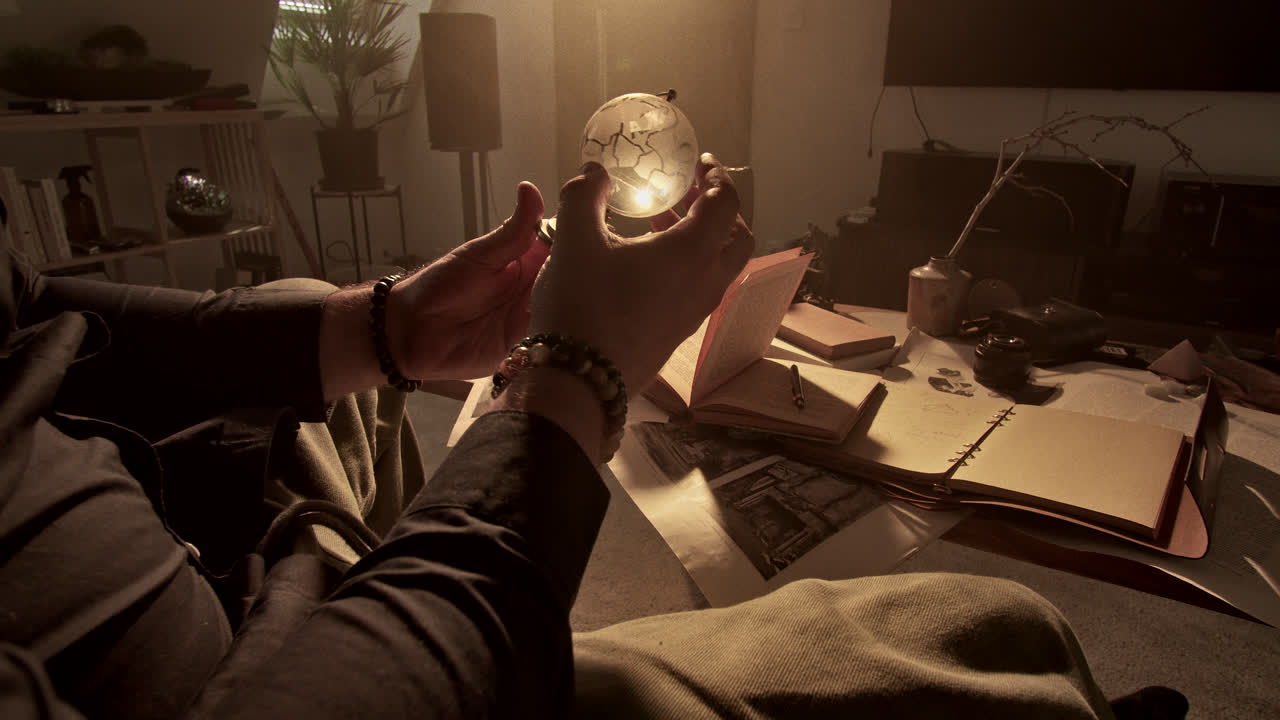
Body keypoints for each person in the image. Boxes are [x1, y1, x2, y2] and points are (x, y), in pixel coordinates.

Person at [0, 154, 1158, 720]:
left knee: (305, 310)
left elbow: (32, 316)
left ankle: (428, 589)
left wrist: (376, 330)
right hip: (256, 682)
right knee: (989, 627)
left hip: (193, 528)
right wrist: (572, 391)